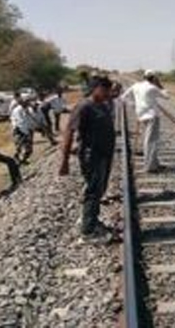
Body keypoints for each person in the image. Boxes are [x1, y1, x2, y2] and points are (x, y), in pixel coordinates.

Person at [59, 76, 116, 243]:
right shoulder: (84, 106)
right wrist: (64, 161)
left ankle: (92, 220)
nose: (108, 92)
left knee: (99, 190)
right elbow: (69, 132)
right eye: (105, 89)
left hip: (103, 155)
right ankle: (87, 232)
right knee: (93, 191)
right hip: (92, 156)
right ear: (95, 88)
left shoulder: (102, 105)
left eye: (109, 89)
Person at [120, 70, 170, 172]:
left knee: (150, 139)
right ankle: (150, 167)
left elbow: (123, 97)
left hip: (141, 116)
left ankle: (155, 163)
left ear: (144, 77)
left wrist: (134, 105)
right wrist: (160, 85)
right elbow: (167, 96)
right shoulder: (152, 87)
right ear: (154, 78)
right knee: (151, 141)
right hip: (152, 116)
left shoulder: (136, 85)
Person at [10, 98, 35, 165]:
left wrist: (32, 128)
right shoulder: (17, 110)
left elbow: (31, 119)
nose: (27, 103)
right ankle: (17, 159)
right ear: (22, 103)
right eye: (26, 102)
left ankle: (23, 160)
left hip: (27, 130)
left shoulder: (27, 109)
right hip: (19, 130)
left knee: (29, 149)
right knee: (19, 147)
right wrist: (27, 133)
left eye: (28, 102)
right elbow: (20, 122)